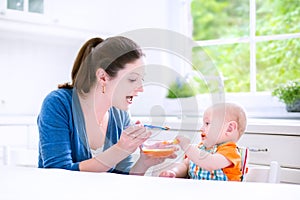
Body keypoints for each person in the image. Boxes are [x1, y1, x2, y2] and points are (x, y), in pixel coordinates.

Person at [37, 36, 176, 175]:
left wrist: (144, 162)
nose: (141, 88)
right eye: (132, 79)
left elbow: (122, 179)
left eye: (141, 79)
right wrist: (120, 149)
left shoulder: (120, 114)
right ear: (103, 77)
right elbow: (56, 172)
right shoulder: (58, 104)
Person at [159, 102, 247, 181]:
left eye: (207, 123)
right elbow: (185, 166)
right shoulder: (200, 148)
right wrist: (174, 172)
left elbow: (210, 163)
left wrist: (187, 146)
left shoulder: (230, 151)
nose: (201, 129)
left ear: (229, 128)